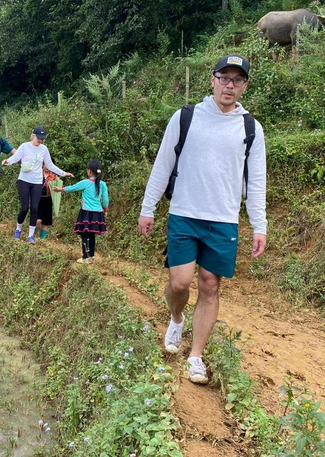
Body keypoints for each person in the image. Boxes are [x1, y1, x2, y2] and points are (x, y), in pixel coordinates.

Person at [138, 54, 267, 385]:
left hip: (223, 220)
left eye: (237, 80)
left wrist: (259, 224)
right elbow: (163, 164)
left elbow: (256, 181)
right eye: (224, 78)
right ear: (212, 80)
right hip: (184, 213)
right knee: (179, 282)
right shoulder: (186, 117)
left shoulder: (251, 128)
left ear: (245, 86)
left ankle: (195, 355)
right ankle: (177, 317)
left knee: (210, 284)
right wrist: (148, 207)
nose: (229, 85)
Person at [3, 126, 73, 243]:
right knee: (24, 208)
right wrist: (7, 161)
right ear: (33, 136)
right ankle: (18, 229)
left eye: (42, 139)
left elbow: (50, 165)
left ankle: (30, 235)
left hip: (36, 181)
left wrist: (63, 173)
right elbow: (15, 158)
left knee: (35, 208)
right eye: (38, 138)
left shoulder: (44, 149)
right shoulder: (25, 146)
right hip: (24, 180)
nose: (40, 141)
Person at [55, 159, 109, 263]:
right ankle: (91, 257)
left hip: (87, 213)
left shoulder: (86, 182)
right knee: (92, 235)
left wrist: (60, 189)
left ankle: (85, 257)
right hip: (98, 213)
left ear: (89, 171)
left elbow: (72, 188)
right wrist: (105, 210)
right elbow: (106, 199)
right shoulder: (102, 184)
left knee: (85, 234)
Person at [36, 164, 62, 240]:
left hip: (48, 199)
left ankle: (42, 239)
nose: (47, 167)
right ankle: (33, 234)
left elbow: (59, 189)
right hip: (38, 198)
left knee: (45, 221)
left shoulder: (54, 176)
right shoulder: (37, 172)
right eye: (45, 165)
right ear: (43, 164)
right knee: (38, 220)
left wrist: (58, 181)